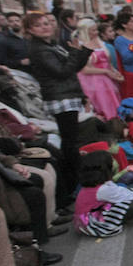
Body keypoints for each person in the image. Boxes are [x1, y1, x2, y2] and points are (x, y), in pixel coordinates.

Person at [27, 12, 93, 205]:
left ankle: (78, 181)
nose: (45, 26)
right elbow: (62, 72)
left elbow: (73, 68)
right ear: (30, 30)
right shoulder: (39, 50)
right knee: (70, 142)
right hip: (59, 98)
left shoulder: (51, 45)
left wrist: (83, 51)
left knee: (72, 141)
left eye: (47, 23)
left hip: (68, 94)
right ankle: (77, 183)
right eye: (39, 25)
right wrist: (74, 53)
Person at [74, 18, 123, 120]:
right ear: (85, 31)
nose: (96, 33)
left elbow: (108, 63)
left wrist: (115, 73)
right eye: (93, 30)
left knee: (113, 107)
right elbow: (83, 69)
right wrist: (106, 72)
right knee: (103, 108)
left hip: (107, 81)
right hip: (91, 83)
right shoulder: (80, 46)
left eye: (96, 30)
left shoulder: (100, 43)